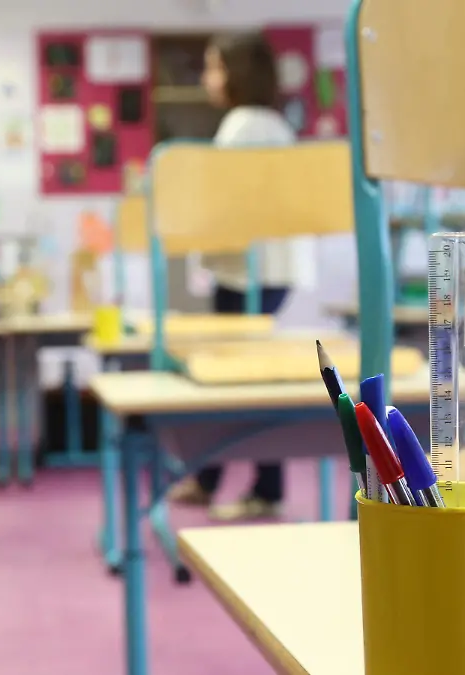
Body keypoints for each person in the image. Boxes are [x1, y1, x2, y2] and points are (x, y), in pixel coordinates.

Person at [167, 32, 297, 521]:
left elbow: (222, 212)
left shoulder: (240, 127)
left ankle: (260, 489)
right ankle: (213, 480)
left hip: (246, 275)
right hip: (272, 273)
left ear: (236, 74)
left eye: (214, 67)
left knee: (240, 387)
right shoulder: (275, 125)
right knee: (248, 381)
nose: (207, 78)